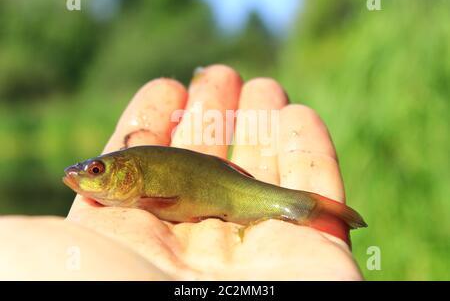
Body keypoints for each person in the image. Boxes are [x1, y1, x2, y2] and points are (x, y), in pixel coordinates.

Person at [0, 65, 363, 280]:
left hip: (229, 190)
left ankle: (307, 208)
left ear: (130, 175)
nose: (84, 177)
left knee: (285, 203)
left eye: (96, 170)